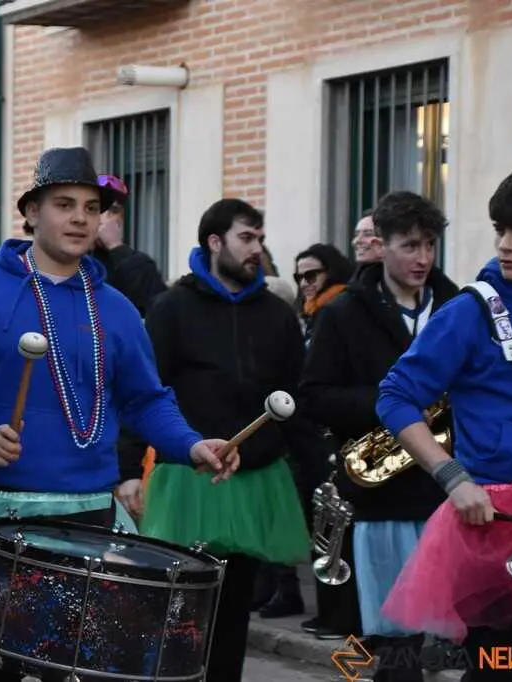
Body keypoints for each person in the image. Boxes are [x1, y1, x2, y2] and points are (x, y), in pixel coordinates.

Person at [0, 146, 238, 682]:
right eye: (65, 204)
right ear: (32, 211)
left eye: (92, 207)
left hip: (88, 513)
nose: (82, 217)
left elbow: (146, 399)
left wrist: (190, 444)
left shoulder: (117, 308)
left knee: (80, 671)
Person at [139, 198, 322, 682]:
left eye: (260, 238)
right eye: (247, 238)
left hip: (258, 478)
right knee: (180, 611)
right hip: (190, 479)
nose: (256, 249)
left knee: (235, 610)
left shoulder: (277, 314)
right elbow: (144, 392)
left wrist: (320, 476)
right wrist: (125, 470)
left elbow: (295, 401)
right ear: (215, 242)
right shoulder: (172, 308)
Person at [375, 168, 512, 681]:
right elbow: (396, 397)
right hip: (494, 523)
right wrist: (453, 477)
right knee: (499, 669)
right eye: (500, 230)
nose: (506, 245)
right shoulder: (471, 311)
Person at [300, 191, 457, 675]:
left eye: (430, 245)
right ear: (381, 245)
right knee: (388, 637)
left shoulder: (456, 306)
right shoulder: (343, 313)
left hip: (447, 491)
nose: (423, 258)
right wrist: (394, 404)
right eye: (410, 245)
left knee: (447, 636)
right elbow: (315, 397)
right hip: (380, 496)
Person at [91, 174, 168, 316]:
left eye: (114, 210)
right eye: (99, 208)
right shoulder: (76, 260)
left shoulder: (141, 265)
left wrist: (115, 246)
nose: (106, 218)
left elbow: (158, 315)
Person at [293, 243, 355, 344]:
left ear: (331, 272)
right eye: (299, 277)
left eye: (311, 275)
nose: (303, 283)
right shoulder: (304, 310)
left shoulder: (347, 308)